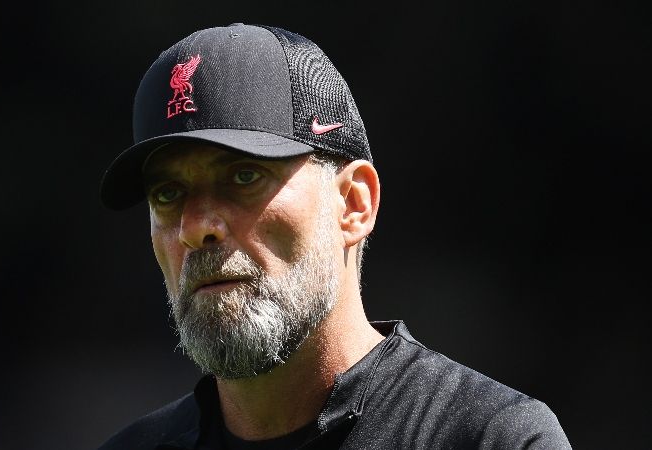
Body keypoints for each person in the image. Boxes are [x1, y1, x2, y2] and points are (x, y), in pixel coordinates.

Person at [97, 23, 571, 450]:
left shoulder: (491, 438)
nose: (197, 225)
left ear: (354, 204)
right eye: (168, 193)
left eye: (244, 177)